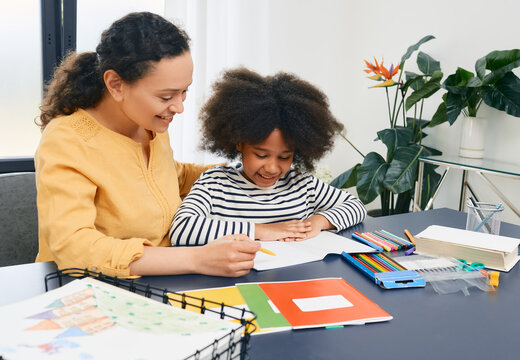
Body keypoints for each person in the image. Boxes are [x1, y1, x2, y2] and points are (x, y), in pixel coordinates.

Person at [35, 12, 260, 278]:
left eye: (184, 91)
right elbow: (75, 248)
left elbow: (166, 177)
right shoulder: (67, 141)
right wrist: (197, 258)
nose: (178, 107)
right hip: (90, 288)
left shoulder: (148, 124)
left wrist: (245, 168)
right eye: (166, 96)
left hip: (166, 279)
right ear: (115, 84)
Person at [169, 68, 367, 246]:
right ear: (239, 142)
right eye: (261, 155)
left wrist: (318, 222)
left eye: (284, 157)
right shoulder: (215, 184)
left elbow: (356, 206)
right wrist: (263, 231)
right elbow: (182, 229)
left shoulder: (302, 184)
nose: (272, 168)